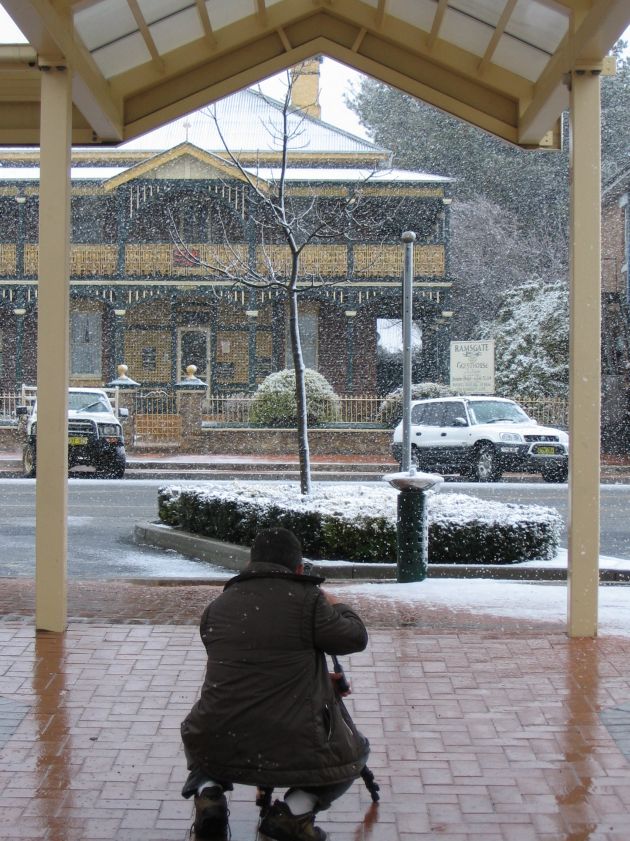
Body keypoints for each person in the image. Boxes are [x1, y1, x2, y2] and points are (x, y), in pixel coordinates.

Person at [180, 527, 370, 841]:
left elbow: (259, 666)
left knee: (200, 735)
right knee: (353, 753)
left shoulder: (218, 606)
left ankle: (209, 794)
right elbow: (354, 637)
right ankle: (292, 814)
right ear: (298, 569)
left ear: (251, 562)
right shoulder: (309, 601)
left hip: (218, 737)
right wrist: (336, 605)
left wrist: (317, 679)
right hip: (291, 743)